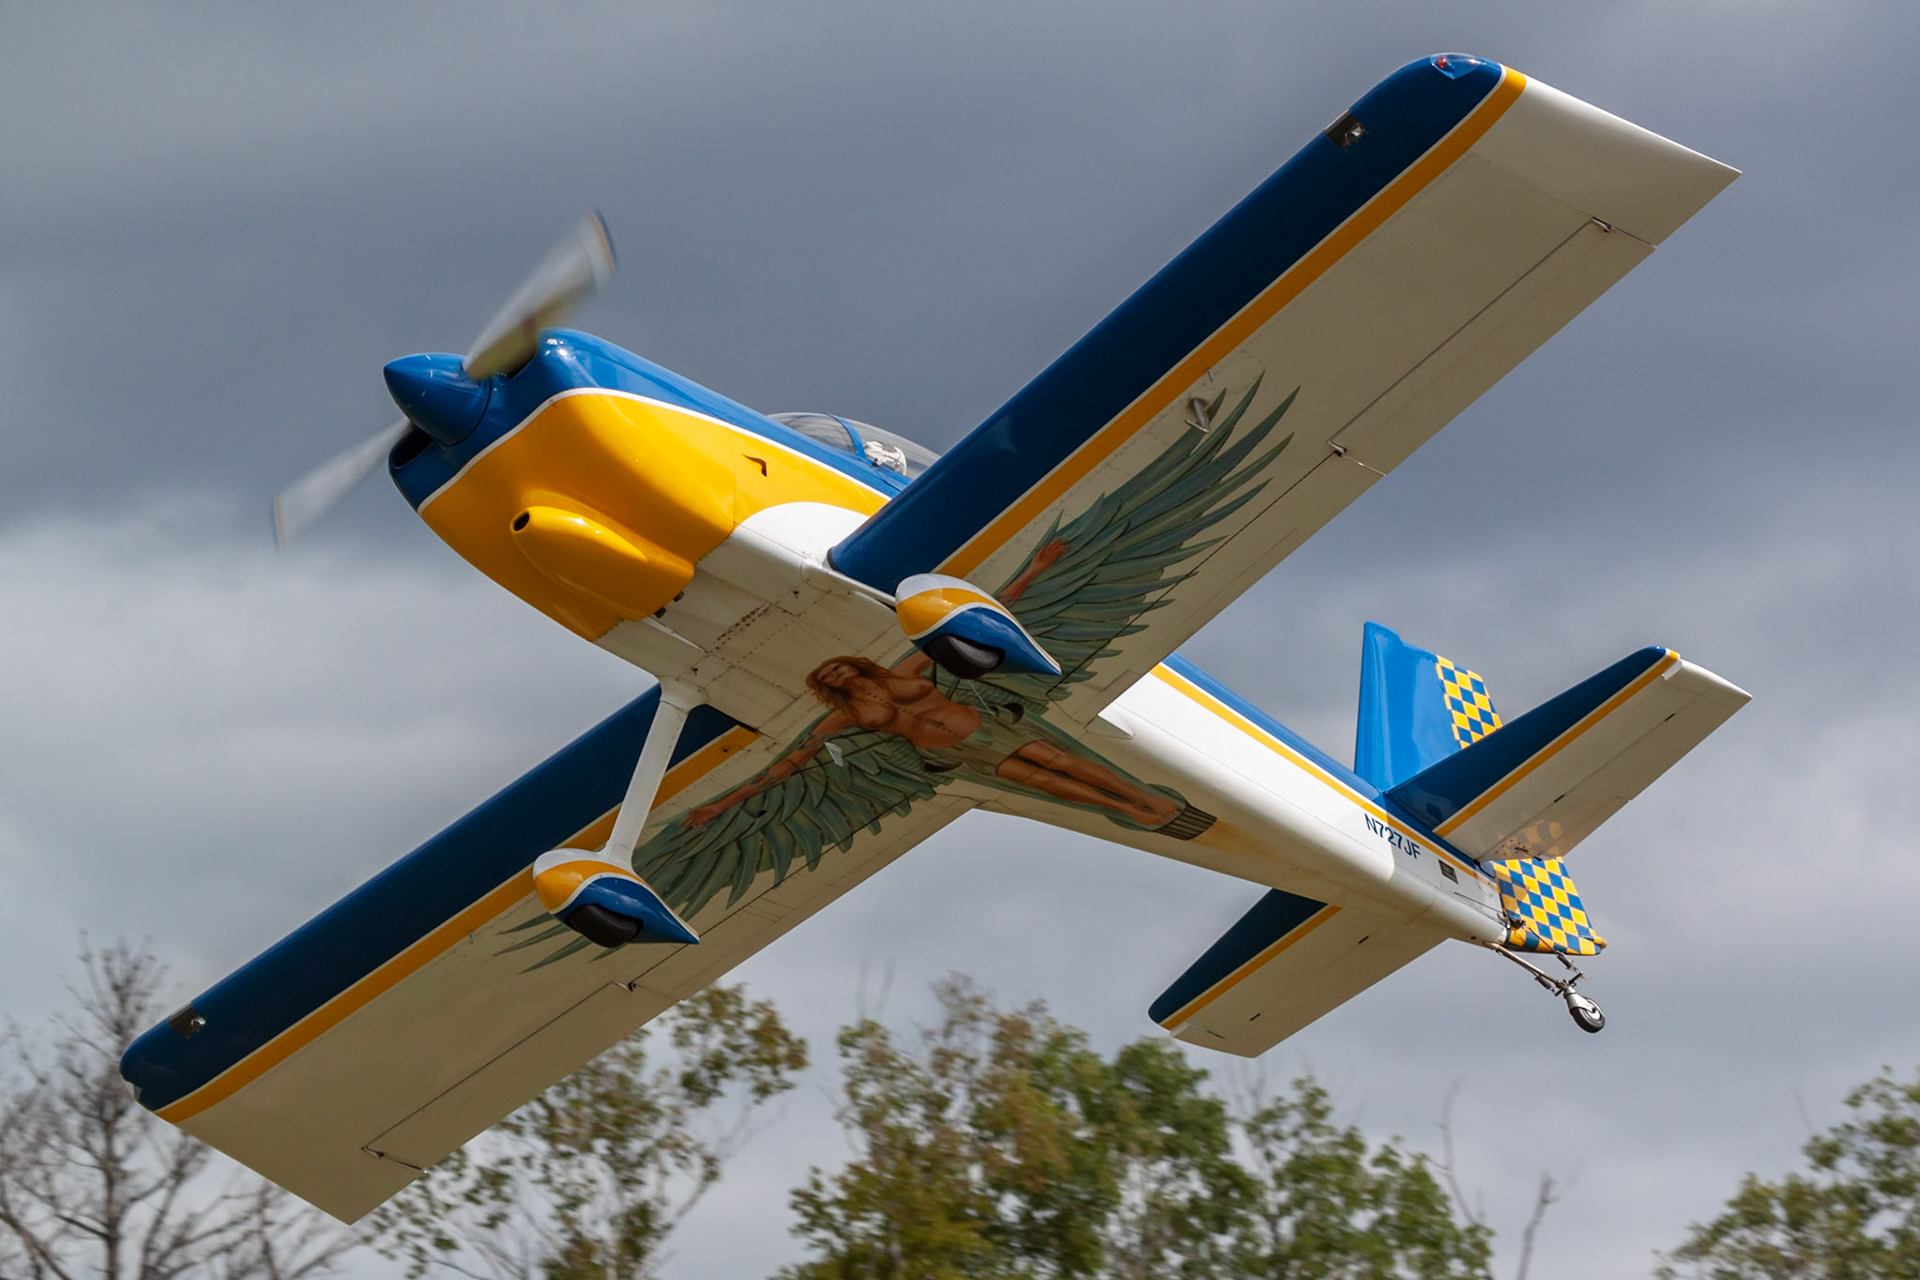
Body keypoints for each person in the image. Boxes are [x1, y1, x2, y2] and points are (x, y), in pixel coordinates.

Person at [684, 539, 1184, 832]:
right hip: (961, 755)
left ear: (854, 666)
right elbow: (788, 765)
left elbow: (972, 619)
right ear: (830, 687)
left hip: (986, 728)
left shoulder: (905, 670)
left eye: (839, 667)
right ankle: (1127, 810)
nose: (837, 675)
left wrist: (1035, 568)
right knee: (1053, 784)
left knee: (1069, 763)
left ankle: (1144, 796)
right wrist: (721, 803)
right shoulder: (844, 718)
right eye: (829, 677)